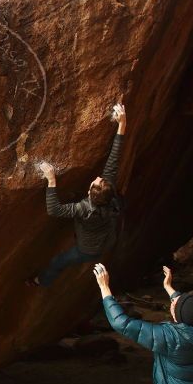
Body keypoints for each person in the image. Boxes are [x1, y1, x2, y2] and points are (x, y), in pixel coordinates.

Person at [27, 103, 126, 287]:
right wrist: (122, 124)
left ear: (90, 193)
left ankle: (41, 281)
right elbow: (115, 157)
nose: (97, 177)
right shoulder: (109, 192)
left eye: (95, 182)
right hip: (108, 238)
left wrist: (51, 180)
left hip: (87, 250)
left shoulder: (83, 208)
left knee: (58, 262)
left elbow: (54, 210)